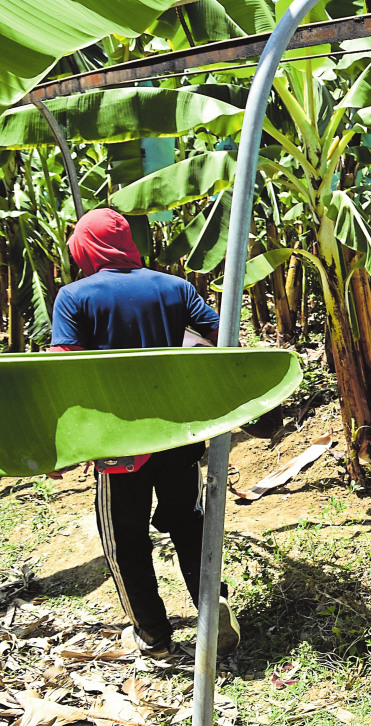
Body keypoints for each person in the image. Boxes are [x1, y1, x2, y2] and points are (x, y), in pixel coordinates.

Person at [48, 207, 241, 659]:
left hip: (119, 443)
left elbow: (64, 371)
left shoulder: (74, 297)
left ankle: (152, 634)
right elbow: (223, 337)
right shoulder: (175, 287)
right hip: (178, 433)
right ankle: (214, 611)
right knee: (190, 526)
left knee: (125, 539)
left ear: (86, 246)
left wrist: (59, 445)